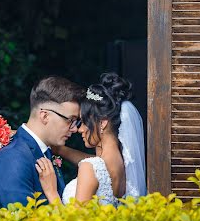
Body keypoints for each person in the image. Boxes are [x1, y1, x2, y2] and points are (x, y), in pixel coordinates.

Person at [35, 72, 146, 206]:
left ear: (102, 123)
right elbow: (91, 162)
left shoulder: (90, 168)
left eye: (83, 122)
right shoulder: (122, 165)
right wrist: (57, 148)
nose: (79, 129)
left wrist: (51, 192)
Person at [0, 76, 84, 207]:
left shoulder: (45, 150)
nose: (74, 129)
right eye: (70, 120)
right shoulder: (12, 158)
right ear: (45, 116)